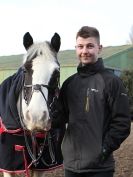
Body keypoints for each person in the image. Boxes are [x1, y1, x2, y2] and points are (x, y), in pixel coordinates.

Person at [51, 26, 131, 177]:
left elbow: (122, 122)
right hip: (71, 167)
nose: (84, 51)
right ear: (76, 49)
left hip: (100, 169)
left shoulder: (112, 82)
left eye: (90, 46)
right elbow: (59, 120)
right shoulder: (69, 84)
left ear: (99, 48)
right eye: (80, 46)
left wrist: (104, 149)